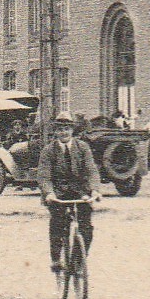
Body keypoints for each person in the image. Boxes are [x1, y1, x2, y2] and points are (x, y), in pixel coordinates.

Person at [37, 111, 99, 276]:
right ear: (55, 132)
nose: (63, 132)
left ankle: (78, 261)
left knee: (87, 227)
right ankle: (56, 258)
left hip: (80, 192)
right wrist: (49, 193)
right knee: (58, 223)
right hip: (57, 194)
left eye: (66, 129)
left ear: (72, 130)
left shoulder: (82, 147)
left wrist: (94, 189)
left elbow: (91, 169)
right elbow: (44, 175)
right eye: (60, 129)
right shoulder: (49, 150)